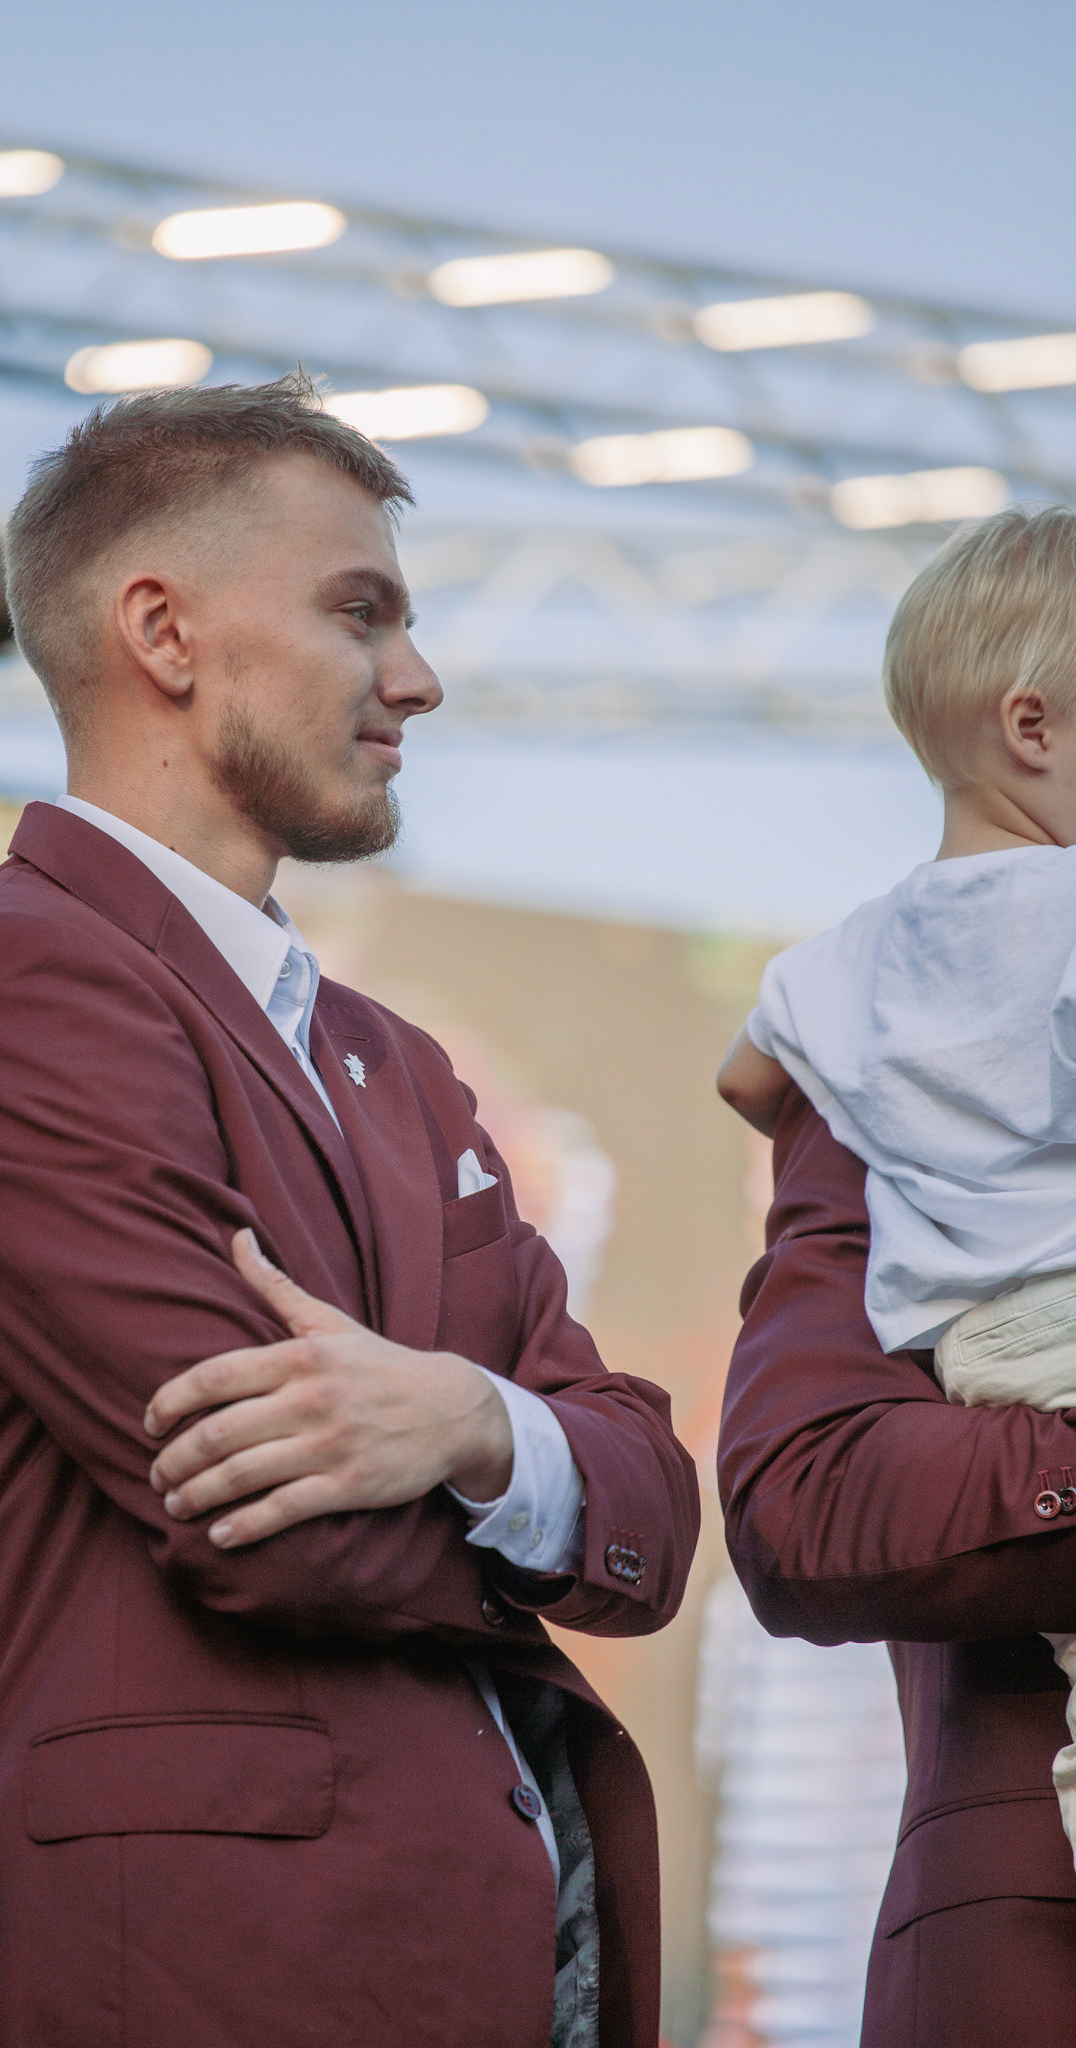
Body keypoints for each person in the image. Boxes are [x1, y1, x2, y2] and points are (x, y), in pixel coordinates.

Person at [0, 373, 700, 2048]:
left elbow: (653, 1513)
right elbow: (277, 1519)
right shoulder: (9, 986)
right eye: (357, 611)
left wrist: (468, 1425)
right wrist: (533, 1473)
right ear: (162, 632)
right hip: (173, 1974)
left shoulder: (399, 1063)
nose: (417, 677)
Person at [717, 504, 1076, 2043]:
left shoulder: (844, 974)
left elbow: (747, 1073)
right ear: (1031, 727)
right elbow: (803, 1506)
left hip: (991, 1346)